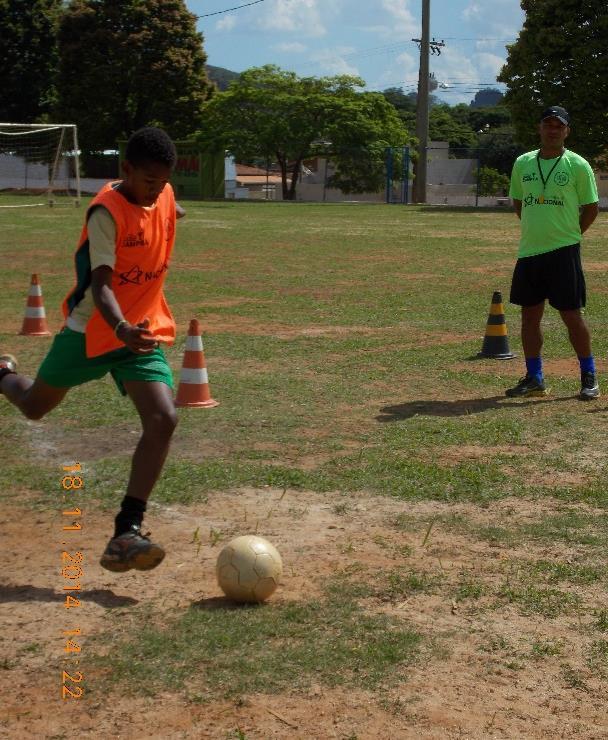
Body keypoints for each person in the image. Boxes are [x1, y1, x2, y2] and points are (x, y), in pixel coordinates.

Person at [0, 126, 185, 572]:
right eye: (146, 181)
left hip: (140, 330)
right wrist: (119, 327)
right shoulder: (105, 213)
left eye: (161, 182)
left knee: (163, 419)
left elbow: (167, 207)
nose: (154, 190)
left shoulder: (161, 194)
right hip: (93, 330)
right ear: (125, 170)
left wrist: (170, 206)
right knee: (34, 406)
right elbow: (101, 284)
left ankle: (126, 531)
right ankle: (3, 374)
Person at [506, 105, 600, 400]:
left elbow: (592, 208)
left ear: (566, 131)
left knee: (572, 315)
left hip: (564, 252)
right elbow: (519, 202)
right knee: (529, 317)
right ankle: (535, 378)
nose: (553, 129)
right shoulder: (522, 163)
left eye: (558, 125)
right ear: (540, 129)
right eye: (548, 124)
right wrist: (539, 230)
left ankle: (589, 376)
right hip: (530, 252)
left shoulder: (578, 165)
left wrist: (570, 235)